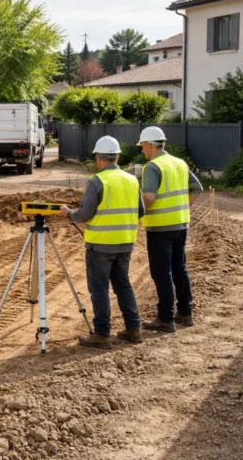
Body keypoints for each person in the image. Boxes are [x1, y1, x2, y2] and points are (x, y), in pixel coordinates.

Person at [60, 136, 144, 349]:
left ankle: (102, 334)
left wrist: (68, 213)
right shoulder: (132, 180)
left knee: (99, 289)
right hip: (125, 242)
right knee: (123, 285)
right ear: (117, 157)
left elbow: (85, 214)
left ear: (99, 159)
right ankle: (134, 329)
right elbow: (141, 211)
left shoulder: (98, 181)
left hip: (100, 246)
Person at [137, 126, 203, 332]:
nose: (141, 151)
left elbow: (149, 197)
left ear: (149, 145)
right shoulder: (180, 163)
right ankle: (185, 312)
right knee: (179, 268)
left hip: (160, 227)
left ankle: (165, 318)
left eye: (142, 147)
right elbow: (197, 188)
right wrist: (183, 207)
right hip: (181, 224)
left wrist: (134, 213)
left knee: (161, 272)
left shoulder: (153, 166)